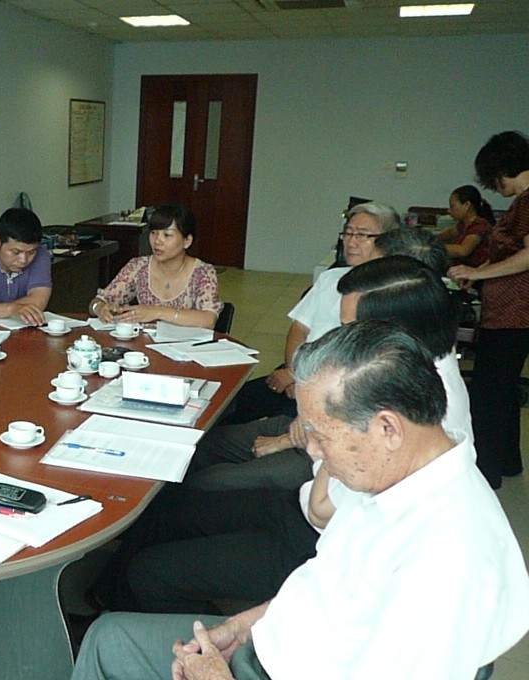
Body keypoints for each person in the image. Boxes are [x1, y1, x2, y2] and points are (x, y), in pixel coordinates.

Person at [72, 321, 529, 680]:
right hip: (279, 645)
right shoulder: (403, 479)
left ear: (387, 428)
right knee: (110, 631)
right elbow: (325, 585)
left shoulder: (447, 561)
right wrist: (242, 627)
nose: (312, 450)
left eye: (321, 436)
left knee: (107, 640)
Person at [92, 256, 467, 615]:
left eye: (351, 330)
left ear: (397, 333)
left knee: (151, 572)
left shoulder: (418, 409)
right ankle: (105, 594)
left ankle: (188, 632)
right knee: (170, 509)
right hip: (297, 508)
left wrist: (317, 445)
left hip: (315, 545)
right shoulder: (407, 369)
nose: (341, 339)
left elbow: (324, 508)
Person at [218, 202, 400, 426]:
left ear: (388, 241)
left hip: (335, 392)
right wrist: (292, 371)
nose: (351, 242)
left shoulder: (390, 294)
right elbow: (299, 329)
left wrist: (301, 379)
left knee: (269, 429)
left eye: (362, 235)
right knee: (228, 404)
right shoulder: (330, 278)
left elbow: (360, 360)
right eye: (348, 233)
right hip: (297, 370)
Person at [448, 131, 529, 488]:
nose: (495, 187)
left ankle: (486, 472)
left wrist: (479, 273)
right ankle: (507, 461)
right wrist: (478, 273)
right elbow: (508, 254)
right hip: (510, 311)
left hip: (515, 313)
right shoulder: (521, 202)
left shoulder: (527, 203)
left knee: (489, 395)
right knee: (504, 392)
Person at [89, 203, 221, 328]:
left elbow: (209, 319)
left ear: (187, 241)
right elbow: (97, 301)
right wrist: (99, 308)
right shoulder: (138, 267)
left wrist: (156, 312)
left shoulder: (203, 273)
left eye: (167, 235)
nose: (157, 241)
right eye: (153, 233)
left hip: (187, 343)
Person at [438, 184, 494, 266]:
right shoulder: (462, 225)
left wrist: (434, 247)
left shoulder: (479, 226)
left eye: (452, 206)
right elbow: (449, 233)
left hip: (476, 271)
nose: (449, 210)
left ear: (467, 205)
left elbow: (463, 250)